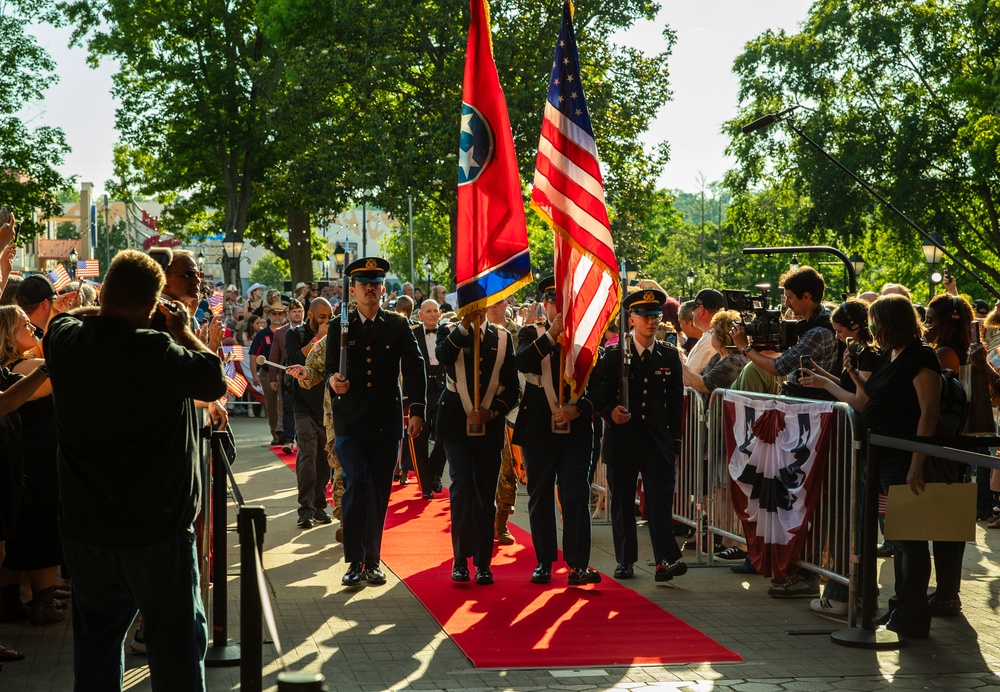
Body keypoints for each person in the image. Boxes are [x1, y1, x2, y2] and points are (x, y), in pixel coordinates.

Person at [44, 249, 227, 691]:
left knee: (96, 646)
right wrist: (182, 330)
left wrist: (101, 309)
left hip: (87, 527)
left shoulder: (66, 341)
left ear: (105, 291)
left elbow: (62, 320)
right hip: (156, 531)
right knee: (176, 649)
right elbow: (214, 377)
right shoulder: (156, 349)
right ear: (153, 303)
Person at [324, 257, 426, 587]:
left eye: (376, 284)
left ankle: (373, 559)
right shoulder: (340, 327)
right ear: (352, 290)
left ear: (383, 289)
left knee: (379, 490)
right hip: (350, 421)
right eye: (363, 284)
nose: (370, 289)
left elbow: (414, 367)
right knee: (357, 482)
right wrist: (332, 382)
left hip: (384, 421)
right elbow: (328, 369)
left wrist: (418, 410)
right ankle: (355, 560)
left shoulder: (397, 325)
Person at [852, 294, 941, 639]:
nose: (873, 329)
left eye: (876, 322)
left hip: (902, 459)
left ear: (892, 323)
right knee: (896, 537)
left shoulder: (920, 356)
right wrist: (853, 375)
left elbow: (927, 412)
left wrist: (917, 462)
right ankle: (901, 606)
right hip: (880, 458)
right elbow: (877, 397)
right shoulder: (890, 354)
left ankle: (912, 611)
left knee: (909, 540)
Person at [586, 288, 687, 582]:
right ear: (632, 319)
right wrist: (609, 412)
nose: (651, 322)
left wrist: (675, 443)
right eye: (644, 316)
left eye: (655, 316)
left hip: (657, 441)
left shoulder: (668, 355)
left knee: (659, 501)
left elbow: (674, 402)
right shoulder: (616, 355)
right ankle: (625, 560)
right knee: (621, 503)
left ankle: (665, 560)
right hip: (624, 439)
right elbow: (600, 394)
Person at [514, 277, 600, 586]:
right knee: (540, 497)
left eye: (564, 303)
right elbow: (522, 362)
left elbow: (599, 387)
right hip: (538, 427)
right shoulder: (531, 333)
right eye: (553, 302)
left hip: (575, 429)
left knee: (575, 495)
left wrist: (580, 408)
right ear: (545, 306)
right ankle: (544, 561)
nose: (557, 308)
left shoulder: (587, 338)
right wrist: (551, 334)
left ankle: (578, 563)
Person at [436, 300, 519, 585]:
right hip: (456, 426)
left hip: (489, 426)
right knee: (462, 487)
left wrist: (493, 410)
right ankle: (460, 560)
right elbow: (443, 355)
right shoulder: (449, 331)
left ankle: (483, 563)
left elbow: (513, 388)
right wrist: (463, 326)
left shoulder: (503, 338)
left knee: (485, 496)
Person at [919, 293, 974, 616]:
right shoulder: (961, 351)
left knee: (944, 523)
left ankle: (946, 593)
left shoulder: (943, 355)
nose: (925, 325)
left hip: (945, 445)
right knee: (948, 521)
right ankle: (947, 590)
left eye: (929, 318)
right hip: (957, 443)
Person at [730, 265, 838, 397]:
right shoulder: (823, 318)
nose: (787, 303)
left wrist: (744, 347)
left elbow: (777, 367)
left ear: (806, 296)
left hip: (809, 403)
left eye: (789, 297)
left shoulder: (817, 333)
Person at [285, 297, 333, 529]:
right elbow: (293, 360)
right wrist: (318, 338)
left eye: (329, 317)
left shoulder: (332, 335)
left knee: (324, 458)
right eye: (322, 317)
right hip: (302, 405)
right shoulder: (295, 334)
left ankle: (320, 505)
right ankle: (305, 509)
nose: (326, 321)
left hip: (325, 407)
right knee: (307, 456)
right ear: (310, 315)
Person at [486, 299, 519, 545]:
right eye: (489, 305)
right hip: (485, 409)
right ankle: (485, 520)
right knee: (486, 469)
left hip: (515, 410)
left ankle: (502, 521)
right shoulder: (477, 333)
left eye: (498, 304)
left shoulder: (519, 333)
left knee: (509, 471)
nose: (493, 309)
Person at [411, 299, 447, 499]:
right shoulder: (413, 333)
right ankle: (425, 485)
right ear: (421, 315)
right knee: (420, 438)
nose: (433, 314)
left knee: (444, 436)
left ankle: (435, 474)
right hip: (421, 390)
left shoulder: (447, 331)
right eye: (429, 311)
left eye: (436, 311)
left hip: (443, 389)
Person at [270, 299, 305, 454]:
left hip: (308, 375)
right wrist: (272, 378)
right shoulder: (280, 332)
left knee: (306, 408)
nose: (297, 314)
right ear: (288, 314)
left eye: (299, 311)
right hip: (288, 377)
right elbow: (274, 356)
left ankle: (303, 441)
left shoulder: (311, 330)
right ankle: (289, 440)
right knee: (288, 408)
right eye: (294, 312)